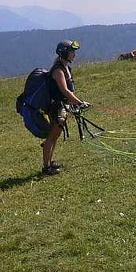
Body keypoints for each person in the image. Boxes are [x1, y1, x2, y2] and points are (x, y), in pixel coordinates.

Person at [42, 40, 88, 175]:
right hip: (56, 108)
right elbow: (65, 91)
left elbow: (70, 92)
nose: (74, 54)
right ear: (64, 53)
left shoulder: (66, 67)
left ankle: (49, 162)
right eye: (72, 52)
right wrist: (79, 103)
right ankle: (46, 167)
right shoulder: (58, 70)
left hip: (63, 106)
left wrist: (75, 103)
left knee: (55, 136)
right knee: (52, 137)